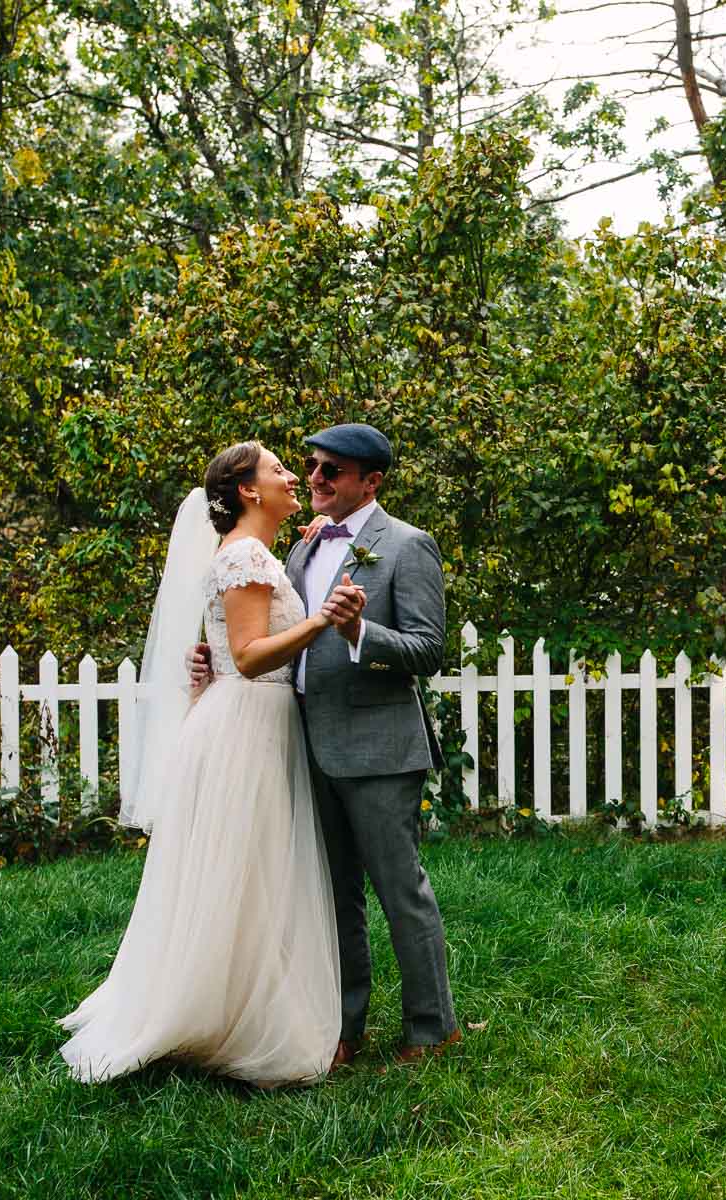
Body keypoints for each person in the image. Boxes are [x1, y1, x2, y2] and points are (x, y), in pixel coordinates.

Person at [59, 442, 360, 1086]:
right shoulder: (246, 556)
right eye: (279, 470)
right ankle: (225, 1018)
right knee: (245, 873)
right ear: (249, 491)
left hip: (247, 719)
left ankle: (232, 1003)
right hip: (248, 724)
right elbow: (251, 656)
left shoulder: (253, 553)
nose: (292, 478)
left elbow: (228, 649)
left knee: (245, 876)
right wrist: (321, 623)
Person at [190, 422, 459, 1068]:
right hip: (307, 744)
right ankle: (343, 1027)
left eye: (331, 470)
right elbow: (266, 626)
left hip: (380, 748)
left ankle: (432, 1026)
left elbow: (428, 650)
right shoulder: (303, 551)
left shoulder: (407, 546)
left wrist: (362, 630)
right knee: (333, 896)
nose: (314, 479)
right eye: (310, 467)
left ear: (371, 481)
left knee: (400, 890)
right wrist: (216, 660)